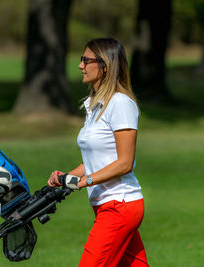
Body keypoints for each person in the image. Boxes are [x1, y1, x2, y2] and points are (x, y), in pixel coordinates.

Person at [48, 38, 149, 266]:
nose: (80, 65)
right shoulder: (94, 105)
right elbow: (96, 160)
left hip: (120, 205)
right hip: (105, 205)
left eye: (86, 60)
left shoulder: (120, 104)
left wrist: (85, 181)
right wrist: (67, 177)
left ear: (105, 66)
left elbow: (125, 163)